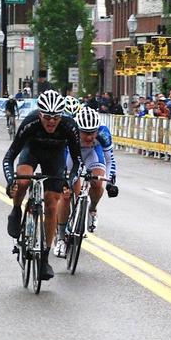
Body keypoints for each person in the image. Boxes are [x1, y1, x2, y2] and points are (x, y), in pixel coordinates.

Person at [2, 90, 82, 281]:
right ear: (40, 114)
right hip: (32, 150)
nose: (51, 122)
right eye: (47, 117)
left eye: (56, 117)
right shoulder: (30, 123)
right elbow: (9, 157)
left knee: (52, 202)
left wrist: (69, 182)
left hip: (55, 157)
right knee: (23, 180)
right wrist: (10, 181)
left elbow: (78, 161)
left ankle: (44, 258)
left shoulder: (69, 127)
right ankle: (16, 211)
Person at [53, 106, 118, 257]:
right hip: (71, 155)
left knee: (97, 183)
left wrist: (110, 182)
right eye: (85, 133)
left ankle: (92, 209)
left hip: (93, 154)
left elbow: (110, 160)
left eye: (92, 133)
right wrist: (64, 178)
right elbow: (60, 157)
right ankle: (61, 238)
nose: (89, 137)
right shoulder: (69, 129)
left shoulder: (103, 132)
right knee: (66, 194)